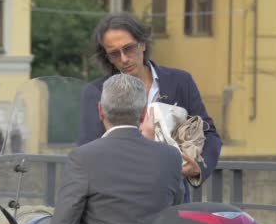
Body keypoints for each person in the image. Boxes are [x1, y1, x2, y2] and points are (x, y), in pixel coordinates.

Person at [35, 74, 184, 224]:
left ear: (100, 110)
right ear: (144, 110)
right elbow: (176, 212)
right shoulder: (170, 157)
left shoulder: (83, 157)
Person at [79, 12, 222, 200]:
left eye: (128, 48)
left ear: (143, 44)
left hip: (172, 198)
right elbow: (88, 151)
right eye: (114, 53)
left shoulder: (180, 81)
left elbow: (209, 133)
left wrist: (198, 167)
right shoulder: (96, 91)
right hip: (120, 201)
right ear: (107, 57)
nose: (123, 59)